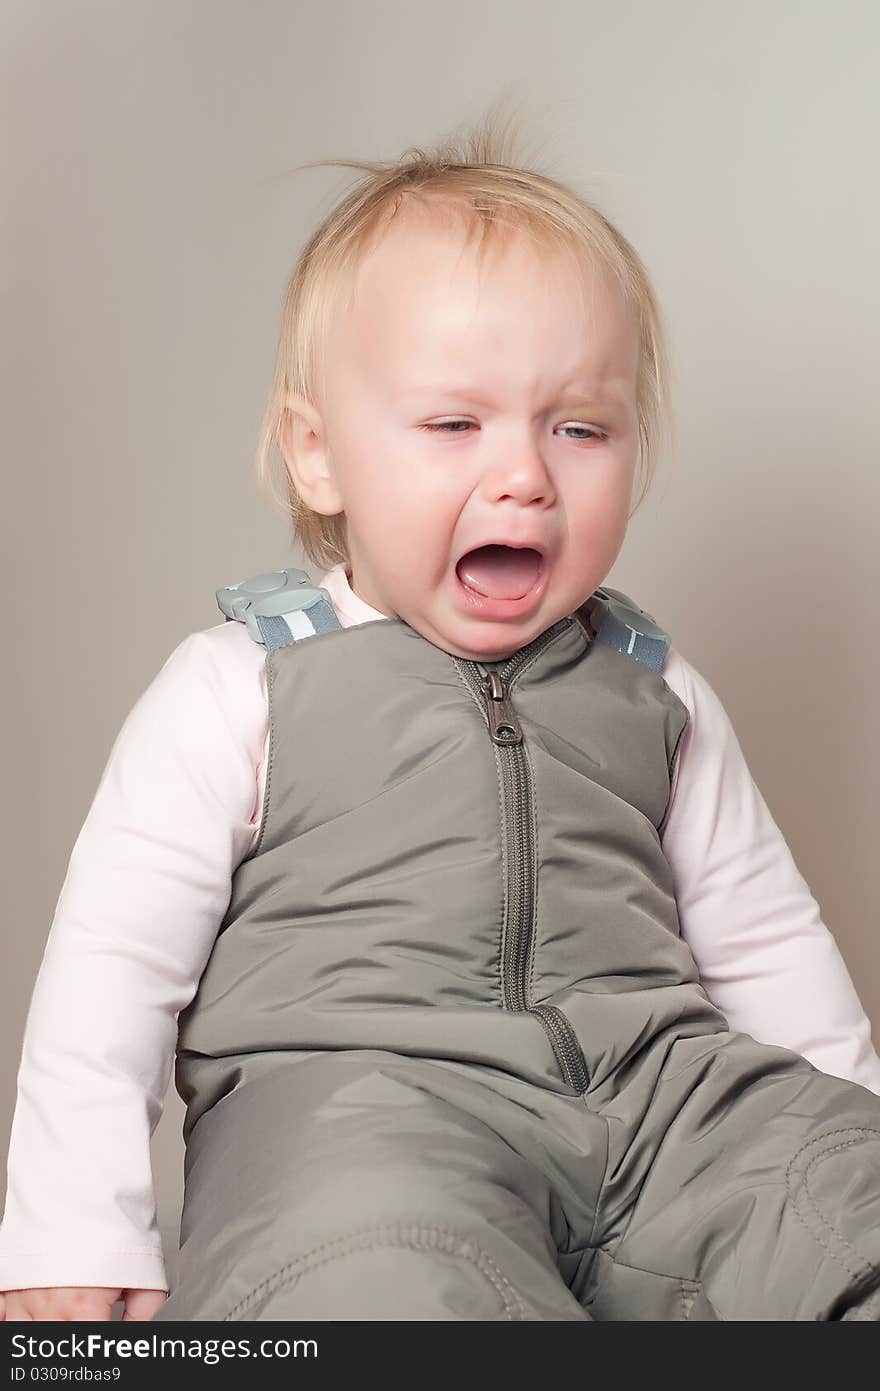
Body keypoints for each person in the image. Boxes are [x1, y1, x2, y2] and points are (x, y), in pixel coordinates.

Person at [2, 113, 879, 1322]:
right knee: (375, 1269)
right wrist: (70, 1224)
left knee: (839, 1193)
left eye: (579, 427)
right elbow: (110, 972)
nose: (523, 473)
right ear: (319, 456)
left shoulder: (656, 692)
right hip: (365, 1112)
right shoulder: (243, 687)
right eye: (454, 423)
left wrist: (836, 1133)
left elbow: (772, 951)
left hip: (660, 1107)